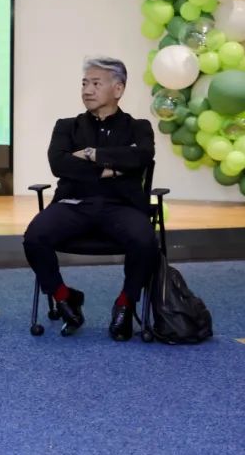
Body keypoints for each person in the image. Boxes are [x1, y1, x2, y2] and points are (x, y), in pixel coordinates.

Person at [23, 56, 156, 341]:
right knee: (34, 237)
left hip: (121, 206)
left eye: (96, 84)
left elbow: (141, 156)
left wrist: (90, 154)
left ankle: (125, 303)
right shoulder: (66, 126)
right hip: (74, 204)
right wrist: (113, 169)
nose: (87, 90)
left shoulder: (139, 127)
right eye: (84, 83)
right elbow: (59, 164)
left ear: (118, 89)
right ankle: (65, 297)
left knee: (145, 240)